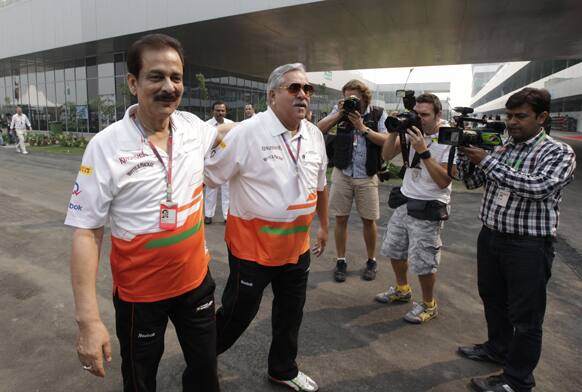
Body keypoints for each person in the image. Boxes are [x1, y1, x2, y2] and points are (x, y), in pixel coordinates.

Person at [64, 33, 232, 392]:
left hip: (195, 285)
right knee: (140, 382)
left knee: (206, 375)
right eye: (156, 76)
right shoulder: (105, 146)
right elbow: (86, 232)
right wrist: (88, 320)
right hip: (140, 297)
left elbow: (221, 131)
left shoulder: (191, 128)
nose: (169, 87)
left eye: (176, 77)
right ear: (133, 83)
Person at [206, 63, 328, 392]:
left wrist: (324, 227)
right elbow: (208, 175)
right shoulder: (246, 132)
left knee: (291, 314)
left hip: (296, 249)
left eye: (307, 89)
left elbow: (320, 185)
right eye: (294, 88)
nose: (303, 94)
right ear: (272, 95)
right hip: (252, 249)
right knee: (237, 314)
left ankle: (283, 369)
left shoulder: (314, 135)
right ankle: (203, 359)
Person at [456, 88, 576, 392]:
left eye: (520, 116)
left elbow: (537, 188)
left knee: (526, 316)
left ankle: (517, 380)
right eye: (509, 116)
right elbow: (472, 183)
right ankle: (498, 349)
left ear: (542, 117)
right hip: (492, 237)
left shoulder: (558, 152)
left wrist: (487, 160)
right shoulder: (503, 147)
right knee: (492, 299)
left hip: (528, 246)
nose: (512, 122)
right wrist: (467, 155)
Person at [375, 93, 454, 324]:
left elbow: (444, 180)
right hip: (406, 200)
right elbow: (387, 155)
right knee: (394, 249)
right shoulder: (411, 131)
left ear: (438, 114)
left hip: (429, 205)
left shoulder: (448, 137)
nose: (419, 119)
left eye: (425, 115)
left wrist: (423, 150)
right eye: (416, 114)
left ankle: (429, 304)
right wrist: (393, 131)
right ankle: (402, 289)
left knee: (423, 260)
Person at [317, 80, 388, 282]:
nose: (351, 101)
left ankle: (371, 260)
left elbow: (388, 140)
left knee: (369, 220)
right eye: (347, 97)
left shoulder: (377, 113)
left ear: (364, 97)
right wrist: (339, 113)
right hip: (343, 172)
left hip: (367, 174)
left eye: (354, 97)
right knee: (341, 217)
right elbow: (319, 129)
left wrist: (362, 127)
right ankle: (341, 260)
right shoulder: (340, 110)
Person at [204, 100, 234, 224]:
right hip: (212, 161)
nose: (220, 113)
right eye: (217, 110)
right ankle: (208, 215)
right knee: (211, 189)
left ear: (225, 112)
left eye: (222, 110)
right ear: (213, 111)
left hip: (227, 161)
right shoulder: (206, 125)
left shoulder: (231, 125)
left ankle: (227, 216)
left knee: (227, 190)